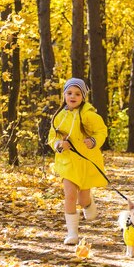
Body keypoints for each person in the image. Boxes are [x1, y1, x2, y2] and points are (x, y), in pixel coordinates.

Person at [48, 78, 108, 245]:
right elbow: (52, 137)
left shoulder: (88, 115)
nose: (72, 96)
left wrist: (94, 141)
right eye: (69, 93)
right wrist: (59, 144)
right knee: (70, 195)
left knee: (82, 200)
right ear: (64, 95)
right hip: (67, 163)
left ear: (83, 97)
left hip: (85, 162)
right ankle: (72, 233)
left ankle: (89, 204)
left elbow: (102, 131)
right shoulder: (59, 117)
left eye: (77, 93)